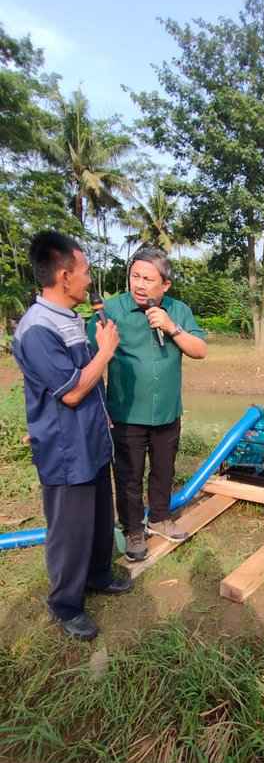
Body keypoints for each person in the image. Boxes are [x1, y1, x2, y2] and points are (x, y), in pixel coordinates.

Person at [13, 231, 133, 642]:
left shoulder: (69, 318)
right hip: (66, 449)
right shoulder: (37, 329)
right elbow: (72, 391)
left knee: (100, 517)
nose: (88, 280)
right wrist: (106, 351)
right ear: (64, 276)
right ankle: (66, 603)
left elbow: (87, 383)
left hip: (92, 439)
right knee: (69, 529)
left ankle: (99, 574)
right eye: (84, 272)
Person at [88, 249, 207, 563]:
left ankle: (159, 517)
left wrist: (171, 327)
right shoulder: (111, 310)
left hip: (167, 410)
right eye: (135, 277)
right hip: (126, 412)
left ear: (165, 286)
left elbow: (200, 350)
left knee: (164, 471)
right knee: (128, 475)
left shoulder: (178, 311)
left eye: (148, 279)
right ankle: (132, 529)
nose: (139, 285)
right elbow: (86, 356)